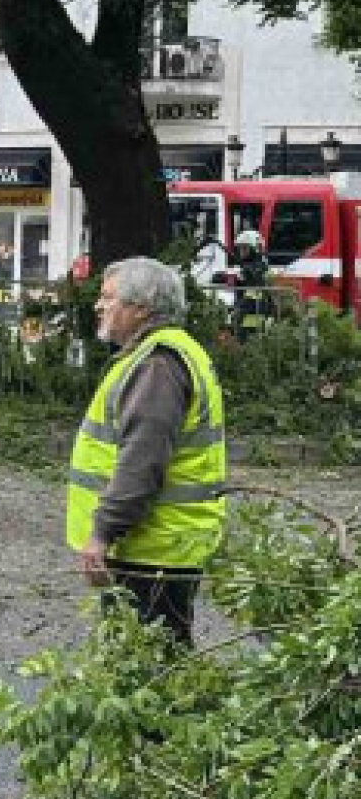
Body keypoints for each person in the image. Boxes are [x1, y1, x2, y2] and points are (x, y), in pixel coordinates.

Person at [67, 257, 226, 647]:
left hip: (152, 550)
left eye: (108, 298)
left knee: (149, 671)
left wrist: (102, 532)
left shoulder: (157, 364)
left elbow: (142, 460)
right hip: (159, 547)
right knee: (151, 664)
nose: (98, 306)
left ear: (141, 308)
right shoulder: (166, 355)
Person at [230, 229, 273, 337]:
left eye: (245, 248)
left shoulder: (260, 266)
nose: (241, 252)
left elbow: (254, 282)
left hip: (255, 314)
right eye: (240, 248)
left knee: (249, 340)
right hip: (246, 313)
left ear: (255, 249)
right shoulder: (246, 266)